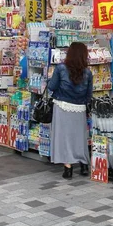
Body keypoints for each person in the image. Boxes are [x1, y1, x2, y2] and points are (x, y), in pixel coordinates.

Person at [48, 42, 92, 179]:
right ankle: (84, 164)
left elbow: (51, 86)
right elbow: (88, 95)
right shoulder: (88, 73)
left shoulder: (61, 68)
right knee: (80, 137)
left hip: (62, 107)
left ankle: (68, 168)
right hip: (79, 109)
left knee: (64, 138)